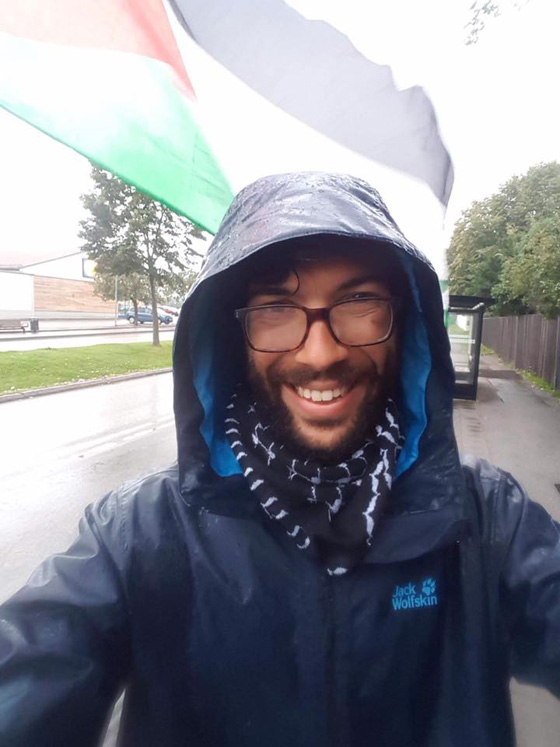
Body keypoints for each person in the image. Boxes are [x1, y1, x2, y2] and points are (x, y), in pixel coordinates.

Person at [0, 172, 559, 747]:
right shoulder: (139, 535)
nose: (320, 353)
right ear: (232, 334)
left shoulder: (488, 522)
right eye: (276, 308)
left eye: (359, 302)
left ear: (405, 323)